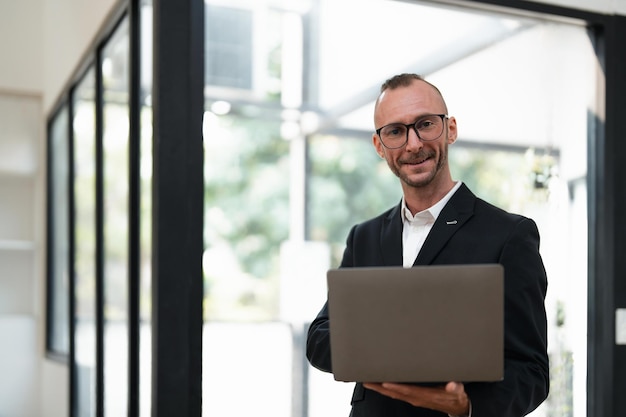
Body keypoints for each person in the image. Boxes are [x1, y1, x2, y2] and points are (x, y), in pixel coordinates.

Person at [306, 73, 549, 417]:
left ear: (450, 129)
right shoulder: (365, 236)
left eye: (425, 124)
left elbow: (532, 373)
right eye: (395, 131)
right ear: (379, 146)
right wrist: (394, 347)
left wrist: (466, 405)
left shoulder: (509, 235)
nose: (413, 144)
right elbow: (320, 339)